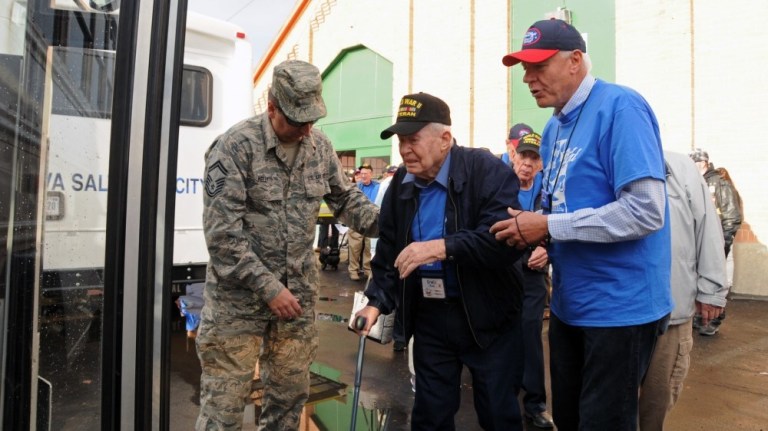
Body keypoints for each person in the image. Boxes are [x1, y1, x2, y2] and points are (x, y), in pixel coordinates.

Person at [493, 19, 673, 431]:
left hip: (619, 310)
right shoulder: (554, 128)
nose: (528, 78)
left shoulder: (621, 108)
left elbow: (646, 209)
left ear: (575, 60)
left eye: (539, 66)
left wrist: (551, 227)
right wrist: (533, 233)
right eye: (524, 69)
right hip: (571, 308)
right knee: (571, 421)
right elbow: (562, 204)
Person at [197, 59, 379, 430]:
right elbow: (222, 237)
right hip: (237, 305)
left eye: (312, 119)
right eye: (297, 121)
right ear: (271, 108)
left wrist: (394, 223)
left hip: (295, 302)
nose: (306, 129)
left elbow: (346, 200)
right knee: (223, 409)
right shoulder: (234, 147)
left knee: (288, 402)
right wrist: (269, 289)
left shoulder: (320, 147)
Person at [354, 92, 527, 430]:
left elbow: (503, 242)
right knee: (430, 416)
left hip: (488, 315)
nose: (405, 149)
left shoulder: (484, 170)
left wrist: (439, 247)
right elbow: (389, 251)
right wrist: (375, 302)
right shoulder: (401, 186)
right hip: (431, 317)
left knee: (497, 413)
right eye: (401, 140)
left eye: (413, 139)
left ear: (444, 138)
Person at [638, 151, 728, 430]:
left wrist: (711, 288)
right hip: (617, 310)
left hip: (670, 309)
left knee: (657, 395)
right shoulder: (603, 159)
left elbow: (707, 227)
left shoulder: (678, 167)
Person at [510, 132, 554, 429]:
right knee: (502, 336)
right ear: (514, 156)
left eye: (533, 158)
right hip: (504, 272)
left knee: (530, 335)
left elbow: (559, 224)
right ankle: (503, 398)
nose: (527, 163)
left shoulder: (549, 191)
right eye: (523, 156)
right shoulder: (501, 186)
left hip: (533, 277)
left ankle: (535, 404)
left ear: (540, 164)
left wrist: (547, 249)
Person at [688, 148, 741, 336]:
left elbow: (731, 216)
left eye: (693, 162)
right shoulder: (695, 182)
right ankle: (701, 316)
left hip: (717, 242)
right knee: (700, 281)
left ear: (702, 162)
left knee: (716, 283)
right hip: (700, 242)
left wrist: (722, 244)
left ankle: (713, 320)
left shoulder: (719, 183)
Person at [347, 163, 380, 281]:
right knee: (355, 246)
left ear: (371, 174)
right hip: (357, 220)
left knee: (368, 246)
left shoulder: (378, 186)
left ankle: (367, 269)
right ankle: (353, 270)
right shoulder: (355, 187)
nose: (363, 175)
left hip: (371, 220)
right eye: (362, 173)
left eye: (366, 173)